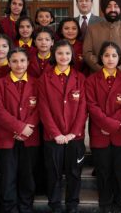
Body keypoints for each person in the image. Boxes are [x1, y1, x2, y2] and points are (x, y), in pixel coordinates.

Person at [38, 40, 87, 213]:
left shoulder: (80, 78)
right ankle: (55, 204)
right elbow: (43, 108)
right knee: (53, 172)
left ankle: (72, 204)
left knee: (74, 172)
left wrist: (73, 132)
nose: (63, 57)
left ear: (72, 55)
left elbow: (83, 108)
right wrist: (55, 133)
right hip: (53, 137)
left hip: (75, 137)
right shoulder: (45, 78)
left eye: (67, 53)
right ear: (54, 55)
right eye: (60, 53)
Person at [86, 41, 121, 213]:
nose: (110, 59)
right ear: (101, 58)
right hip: (100, 133)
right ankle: (104, 204)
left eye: (114, 55)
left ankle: (119, 204)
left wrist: (112, 125)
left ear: (119, 58)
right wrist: (106, 124)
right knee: (103, 172)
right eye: (106, 55)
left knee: (120, 172)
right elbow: (91, 105)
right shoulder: (91, 80)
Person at [0, 48, 40, 213]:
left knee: (27, 176)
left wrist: (27, 128)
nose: (19, 65)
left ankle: (26, 207)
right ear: (9, 63)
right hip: (7, 137)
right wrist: (20, 127)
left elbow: (40, 108)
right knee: (8, 177)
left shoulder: (37, 83)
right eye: (14, 61)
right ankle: (9, 208)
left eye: (22, 61)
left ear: (28, 62)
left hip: (30, 137)